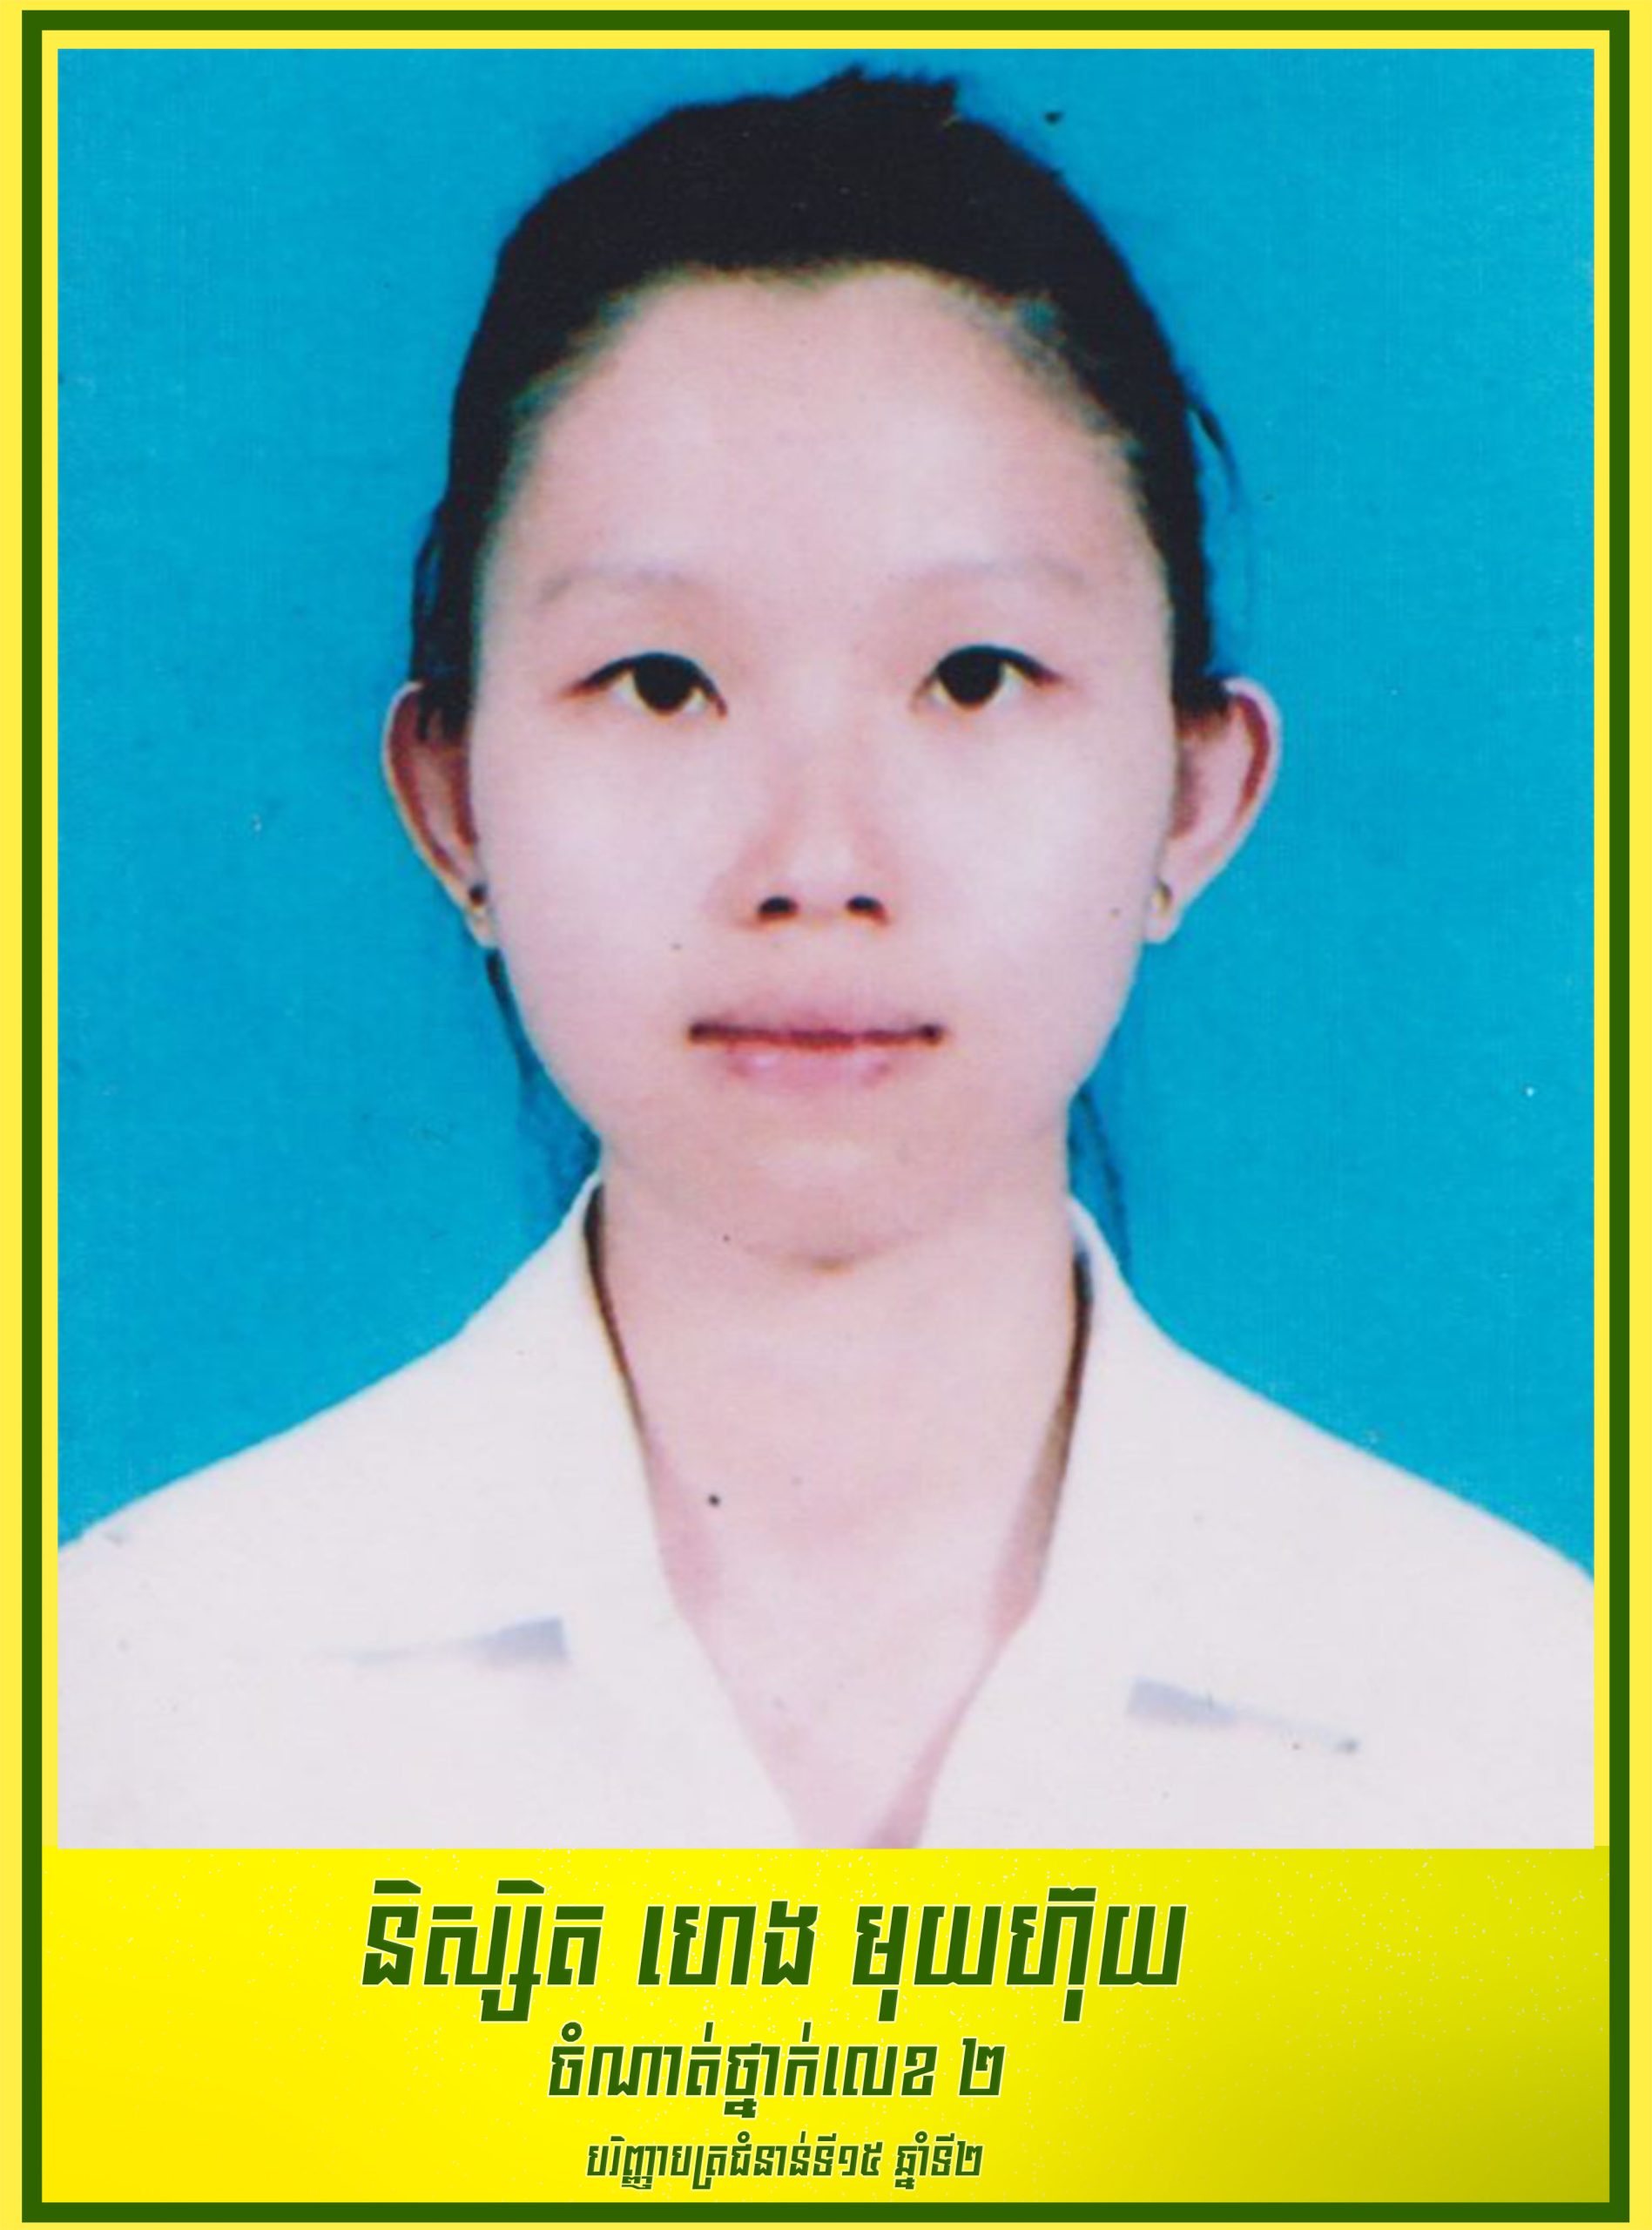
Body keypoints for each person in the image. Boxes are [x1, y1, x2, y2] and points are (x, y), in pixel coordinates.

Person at [58, 71, 1592, 1848]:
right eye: (658, 682)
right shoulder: (136, 1707)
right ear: (454, 798)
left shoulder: (1517, 1727)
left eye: (973, 677)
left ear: (1193, 792)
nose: (813, 864)